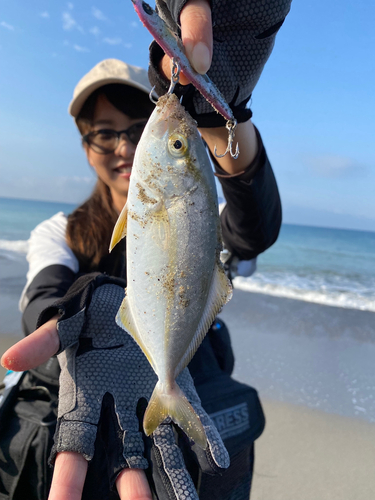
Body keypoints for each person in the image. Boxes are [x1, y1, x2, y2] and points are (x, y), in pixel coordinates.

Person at [0, 0, 291, 499]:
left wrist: (222, 115)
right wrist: (72, 318)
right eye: (103, 133)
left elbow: (253, 229)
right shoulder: (59, 231)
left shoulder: (198, 216)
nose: (122, 147)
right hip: (91, 423)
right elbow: (44, 299)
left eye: (136, 128)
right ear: (85, 144)